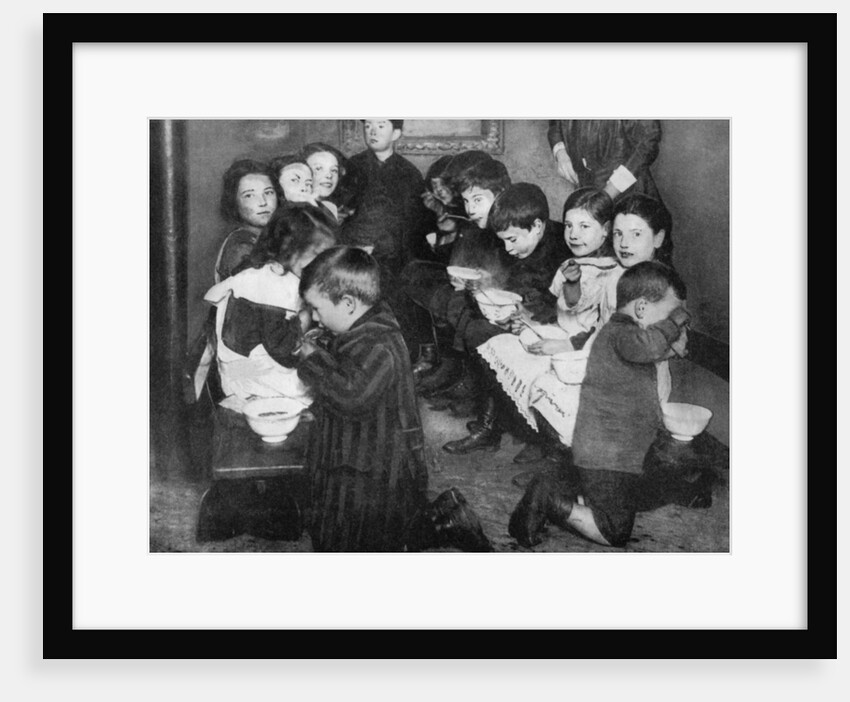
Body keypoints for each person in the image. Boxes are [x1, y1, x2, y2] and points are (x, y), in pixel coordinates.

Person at [508, 261, 709, 549]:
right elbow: (650, 345)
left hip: (622, 447)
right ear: (641, 309)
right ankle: (548, 499)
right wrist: (673, 322)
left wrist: (676, 340)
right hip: (607, 454)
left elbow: (658, 348)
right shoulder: (618, 334)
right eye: (669, 312)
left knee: (645, 480)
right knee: (615, 531)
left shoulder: (631, 337)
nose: (674, 320)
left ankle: (580, 494)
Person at [296, 246, 429, 552]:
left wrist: (312, 360)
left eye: (316, 309)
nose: (314, 318)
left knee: (357, 538)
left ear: (347, 304)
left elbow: (351, 396)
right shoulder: (362, 326)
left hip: (378, 472)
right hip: (359, 457)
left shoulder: (380, 345)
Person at [474, 187, 618, 462]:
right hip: (563, 333)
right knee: (502, 345)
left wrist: (564, 344)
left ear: (606, 230)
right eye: (569, 226)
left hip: (583, 349)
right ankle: (539, 436)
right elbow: (556, 303)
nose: (574, 234)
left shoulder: (611, 272)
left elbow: (604, 326)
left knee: (540, 374)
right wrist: (525, 319)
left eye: (585, 226)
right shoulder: (569, 263)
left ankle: (553, 452)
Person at [528, 190, 677, 450]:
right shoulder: (615, 273)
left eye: (636, 234)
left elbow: (656, 345)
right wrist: (573, 282)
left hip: (640, 383)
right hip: (605, 366)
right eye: (619, 234)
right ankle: (562, 465)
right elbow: (581, 306)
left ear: (659, 238)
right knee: (543, 386)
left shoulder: (662, 286)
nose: (624, 243)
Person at [440, 183, 569, 461]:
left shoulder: (563, 246)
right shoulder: (522, 242)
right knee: (474, 325)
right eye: (503, 241)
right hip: (526, 320)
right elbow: (511, 286)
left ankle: (534, 436)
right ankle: (492, 425)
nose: (507, 249)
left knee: (485, 336)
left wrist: (526, 316)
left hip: (560, 331)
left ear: (536, 226)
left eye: (512, 240)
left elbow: (565, 303)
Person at [203, 203, 337, 410]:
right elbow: (281, 348)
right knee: (321, 388)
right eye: (318, 255)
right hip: (252, 378)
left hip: (252, 363)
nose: (325, 265)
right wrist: (309, 351)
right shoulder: (274, 287)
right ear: (287, 250)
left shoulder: (267, 272)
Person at [342, 120, 433, 273]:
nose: (372, 132)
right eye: (368, 126)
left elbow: (416, 222)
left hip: (396, 259)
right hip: (355, 255)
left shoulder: (409, 173)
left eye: (381, 126)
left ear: (395, 134)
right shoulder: (351, 167)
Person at [547, 120, 663, 202]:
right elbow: (555, 124)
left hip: (628, 193)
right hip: (585, 189)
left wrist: (612, 190)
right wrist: (560, 152)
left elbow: (648, 142)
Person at [214, 158, 279, 283]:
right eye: (249, 195)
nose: (263, 202)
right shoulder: (240, 246)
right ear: (234, 201)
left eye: (269, 192)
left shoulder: (269, 237)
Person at [298, 142, 353, 224]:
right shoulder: (296, 215)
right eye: (319, 168)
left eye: (334, 170)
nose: (329, 175)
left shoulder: (335, 210)